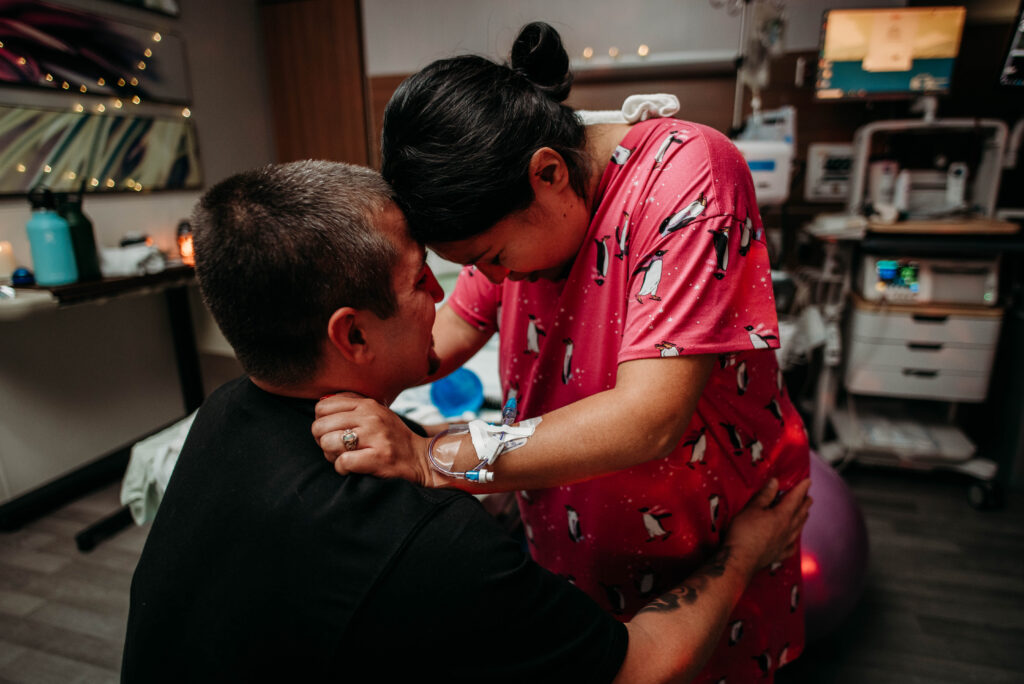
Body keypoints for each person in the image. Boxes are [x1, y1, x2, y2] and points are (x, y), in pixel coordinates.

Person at [121, 160, 811, 683]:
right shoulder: (431, 542)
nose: (445, 294)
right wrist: (746, 552)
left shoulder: (221, 416)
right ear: (352, 337)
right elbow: (641, 668)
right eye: (425, 277)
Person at [312, 21, 811, 683]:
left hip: (709, 533)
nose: (490, 280)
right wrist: (327, 385)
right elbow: (438, 344)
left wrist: (430, 453)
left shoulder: (689, 174)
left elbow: (650, 418)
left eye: (491, 258)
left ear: (547, 174)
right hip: (568, 533)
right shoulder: (522, 224)